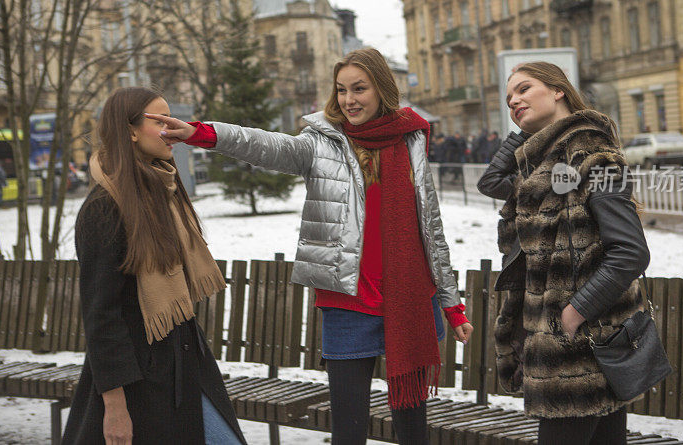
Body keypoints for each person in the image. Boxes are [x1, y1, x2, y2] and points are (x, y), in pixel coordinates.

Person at [151, 48, 473, 445]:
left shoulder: (410, 140)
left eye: (359, 88)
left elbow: (431, 229)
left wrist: (451, 303)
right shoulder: (321, 144)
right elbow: (266, 145)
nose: (349, 99)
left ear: (382, 89)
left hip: (410, 299)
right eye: (341, 90)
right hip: (349, 301)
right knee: (348, 430)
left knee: (412, 427)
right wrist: (203, 133)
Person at [476, 62, 650, 445]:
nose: (514, 100)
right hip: (566, 349)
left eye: (524, 89)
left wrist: (571, 315)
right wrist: (522, 133)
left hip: (579, 347)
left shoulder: (595, 156)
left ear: (558, 90)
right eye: (509, 98)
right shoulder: (544, 167)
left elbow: (630, 252)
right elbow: (489, 181)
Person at [62, 87, 246, 445]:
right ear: (130, 131)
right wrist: (115, 407)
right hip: (138, 382)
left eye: (170, 119)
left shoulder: (165, 189)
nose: (171, 129)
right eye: (159, 121)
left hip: (187, 367)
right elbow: (101, 317)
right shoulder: (104, 208)